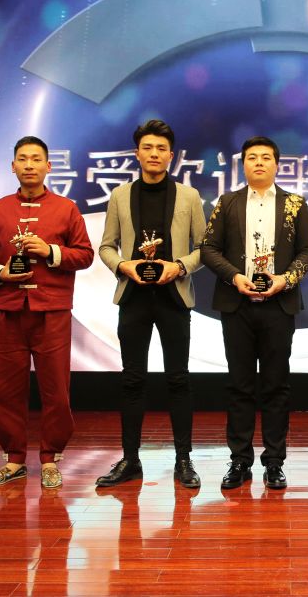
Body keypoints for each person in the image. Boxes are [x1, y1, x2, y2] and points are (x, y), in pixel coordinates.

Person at [0, 135, 94, 489]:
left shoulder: (66, 209)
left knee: (56, 389)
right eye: (22, 159)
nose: (29, 165)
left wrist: (50, 251)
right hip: (7, 311)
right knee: (5, 388)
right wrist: (0, 273)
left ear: (48, 166)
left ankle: (51, 458)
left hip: (52, 311)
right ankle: (14, 460)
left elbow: (85, 255)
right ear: (12, 166)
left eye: (36, 159)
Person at [96, 119, 206, 488]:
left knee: (178, 379)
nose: (154, 154)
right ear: (137, 153)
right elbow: (106, 246)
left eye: (161, 148)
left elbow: (204, 248)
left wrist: (179, 267)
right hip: (134, 298)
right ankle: (130, 460)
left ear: (171, 155)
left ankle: (184, 460)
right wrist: (122, 265)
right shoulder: (120, 195)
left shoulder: (189, 196)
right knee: (132, 379)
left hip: (174, 297)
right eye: (148, 148)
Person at [200, 136, 308, 490]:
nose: (259, 163)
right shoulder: (227, 202)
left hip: (279, 305)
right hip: (237, 305)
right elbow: (208, 248)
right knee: (239, 385)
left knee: (277, 385)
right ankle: (239, 460)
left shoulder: (295, 204)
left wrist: (285, 279)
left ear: (277, 165)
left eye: (266, 157)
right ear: (243, 165)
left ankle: (274, 462)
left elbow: (307, 252)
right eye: (252, 157)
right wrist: (235, 277)